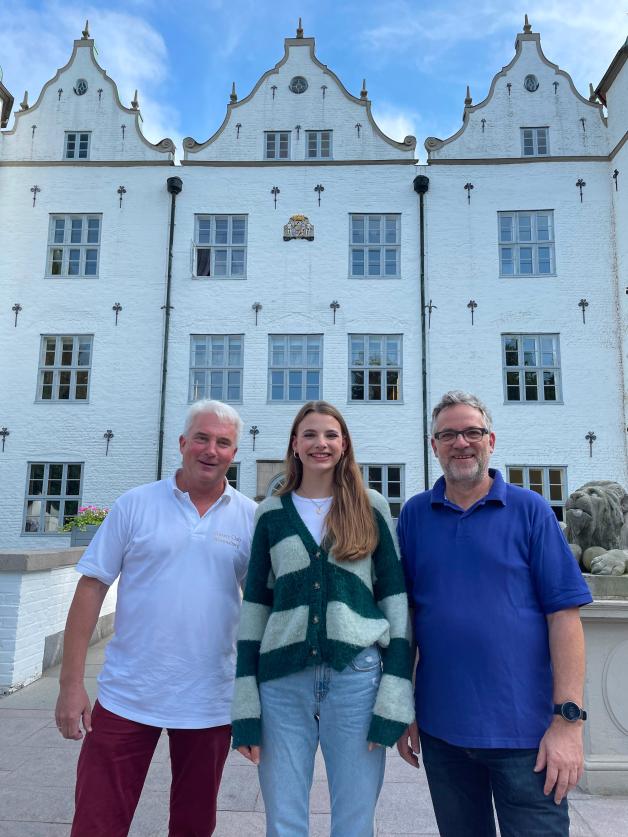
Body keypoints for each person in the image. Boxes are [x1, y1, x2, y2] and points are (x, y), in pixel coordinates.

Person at [55, 400, 256, 837]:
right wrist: (70, 685)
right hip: (128, 692)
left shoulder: (250, 518)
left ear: (234, 453)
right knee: (97, 822)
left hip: (209, 699)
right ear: (182, 443)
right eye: (201, 438)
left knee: (193, 824)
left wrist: (257, 701)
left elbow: (263, 608)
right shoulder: (136, 505)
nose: (211, 450)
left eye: (223, 442)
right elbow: (91, 589)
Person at [396, 390, 593, 837]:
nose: (461, 443)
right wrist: (403, 706)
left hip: (527, 734)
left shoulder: (531, 510)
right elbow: (407, 617)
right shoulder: (415, 516)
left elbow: (564, 618)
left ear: (491, 440)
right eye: (448, 435)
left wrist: (568, 723)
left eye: (472, 432)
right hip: (443, 730)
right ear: (433, 445)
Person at [231, 400, 414, 837]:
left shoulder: (370, 506)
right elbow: (255, 607)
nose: (321, 443)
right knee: (283, 821)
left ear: (344, 444)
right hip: (281, 684)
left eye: (331, 435)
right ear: (294, 444)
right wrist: (245, 707)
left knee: (355, 820)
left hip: (357, 680)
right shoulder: (271, 514)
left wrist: (395, 696)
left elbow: (395, 602)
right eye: (310, 434)